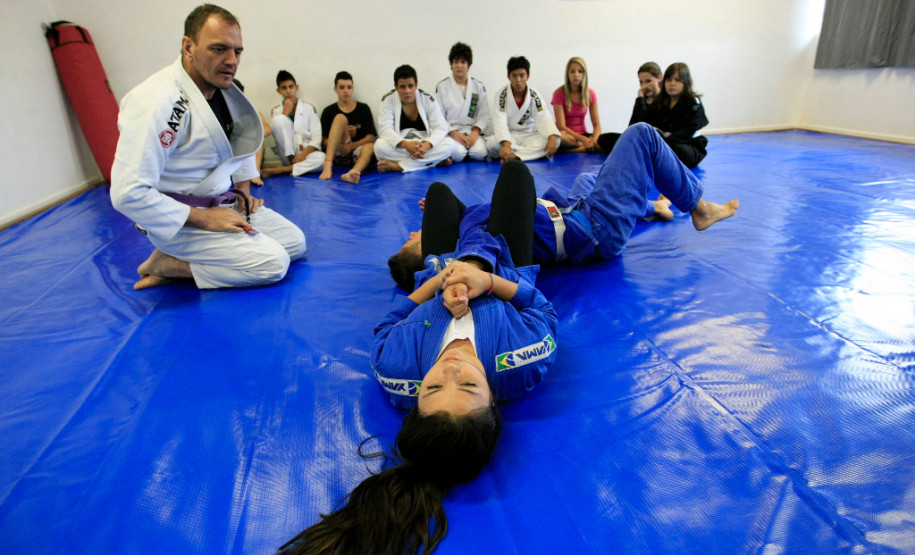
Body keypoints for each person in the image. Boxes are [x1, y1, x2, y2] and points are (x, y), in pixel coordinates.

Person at [278, 162, 558, 555]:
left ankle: (467, 223)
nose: (451, 370)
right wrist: (489, 281)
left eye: (434, 387)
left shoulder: (397, 371)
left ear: (416, 396)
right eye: (469, 384)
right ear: (494, 400)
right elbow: (544, 312)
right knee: (514, 173)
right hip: (506, 255)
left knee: (440, 193)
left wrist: (436, 284)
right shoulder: (522, 361)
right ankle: (475, 226)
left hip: (439, 264)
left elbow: (387, 324)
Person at [389, 123, 739, 291]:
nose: (411, 232)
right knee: (642, 136)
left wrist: (457, 209)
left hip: (573, 208)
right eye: (410, 241)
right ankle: (699, 208)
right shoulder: (469, 240)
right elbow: (481, 250)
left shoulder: (468, 223)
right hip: (596, 227)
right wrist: (472, 271)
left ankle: (653, 209)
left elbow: (484, 222)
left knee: (588, 178)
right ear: (424, 253)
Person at [110, 4, 306, 290]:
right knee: (272, 263)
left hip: (224, 203)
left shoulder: (223, 89)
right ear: (188, 47)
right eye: (219, 49)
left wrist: (244, 194)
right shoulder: (155, 102)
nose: (231, 60)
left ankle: (175, 258)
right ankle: (171, 263)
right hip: (183, 219)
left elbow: (243, 138)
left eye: (237, 51)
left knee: (294, 243)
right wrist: (203, 218)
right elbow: (127, 193)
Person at [375, 65, 456, 173]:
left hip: (424, 143)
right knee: (379, 147)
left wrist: (427, 145)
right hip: (402, 144)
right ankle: (433, 162)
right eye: (402, 87)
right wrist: (405, 144)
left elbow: (441, 127)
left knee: (450, 144)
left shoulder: (427, 99)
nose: (407, 91)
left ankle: (399, 166)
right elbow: (384, 129)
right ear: (396, 86)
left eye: (410, 86)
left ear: (416, 84)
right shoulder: (388, 100)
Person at [488, 56, 561, 162]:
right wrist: (507, 144)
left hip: (529, 136)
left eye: (522, 75)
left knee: (556, 140)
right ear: (509, 77)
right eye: (514, 76)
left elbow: (544, 118)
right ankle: (528, 154)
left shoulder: (534, 95)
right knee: (491, 143)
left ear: (528, 76)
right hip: (509, 136)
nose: (518, 80)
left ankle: (515, 156)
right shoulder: (501, 96)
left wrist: (552, 137)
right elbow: (499, 122)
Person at [263, 70, 327, 177]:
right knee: (279, 119)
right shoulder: (276, 111)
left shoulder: (309, 108)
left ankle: (284, 170)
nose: (288, 91)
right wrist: (285, 113)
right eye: (284, 88)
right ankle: (292, 164)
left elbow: (317, 138)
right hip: (287, 155)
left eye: (291, 87)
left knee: (322, 159)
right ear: (279, 91)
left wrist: (303, 155)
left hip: (306, 153)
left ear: (296, 88)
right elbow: (280, 135)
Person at [435, 42, 491, 162]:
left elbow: (484, 115)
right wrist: (453, 132)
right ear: (451, 64)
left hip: (471, 131)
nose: (459, 66)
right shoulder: (442, 87)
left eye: (463, 62)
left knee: (479, 153)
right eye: (456, 62)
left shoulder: (478, 86)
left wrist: (475, 133)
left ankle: (467, 148)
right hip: (451, 131)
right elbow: (438, 117)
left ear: (469, 65)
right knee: (458, 154)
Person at [318, 71, 376, 184]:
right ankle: (328, 165)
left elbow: (370, 137)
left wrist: (352, 145)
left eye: (349, 87)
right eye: (342, 87)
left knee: (370, 147)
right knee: (340, 118)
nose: (346, 91)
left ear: (353, 89)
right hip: (337, 152)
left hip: (356, 152)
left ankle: (353, 172)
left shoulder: (363, 108)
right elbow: (324, 141)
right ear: (335, 89)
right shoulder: (328, 111)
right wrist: (338, 141)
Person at [596, 61, 662, 153]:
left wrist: (640, 98)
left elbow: (646, 122)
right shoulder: (641, 99)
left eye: (648, 81)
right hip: (637, 139)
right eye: (641, 82)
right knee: (603, 138)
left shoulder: (663, 100)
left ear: (659, 78)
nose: (644, 86)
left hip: (654, 140)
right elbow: (632, 125)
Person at [551, 57, 601, 152]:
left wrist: (594, 139)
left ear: (584, 74)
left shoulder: (591, 94)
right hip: (568, 137)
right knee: (559, 137)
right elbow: (561, 126)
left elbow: (597, 125)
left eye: (580, 71)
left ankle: (581, 148)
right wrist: (584, 140)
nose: (576, 75)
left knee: (608, 140)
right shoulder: (558, 93)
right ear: (567, 74)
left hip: (584, 135)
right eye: (572, 71)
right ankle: (581, 148)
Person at [233, 79, 271, 186]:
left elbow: (267, 130)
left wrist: (248, 133)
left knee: (257, 135)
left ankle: (255, 173)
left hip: (248, 156)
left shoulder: (252, 113)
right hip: (230, 156)